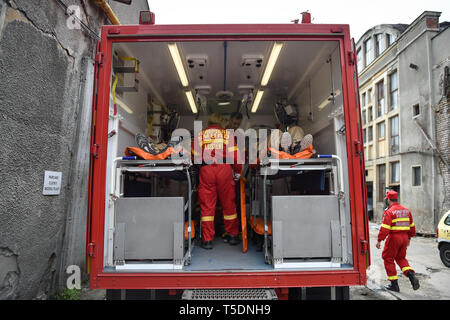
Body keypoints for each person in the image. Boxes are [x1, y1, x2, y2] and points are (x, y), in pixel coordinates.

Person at [195, 113, 242, 250]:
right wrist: (238, 172)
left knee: (207, 205)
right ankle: (233, 236)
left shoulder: (200, 136)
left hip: (207, 170)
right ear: (221, 123)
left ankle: (207, 240)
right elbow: (235, 156)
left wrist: (203, 167)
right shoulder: (227, 135)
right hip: (224, 170)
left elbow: (196, 158)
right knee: (229, 203)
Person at [376, 190, 420, 292]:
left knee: (388, 258)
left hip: (394, 238)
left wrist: (379, 240)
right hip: (404, 238)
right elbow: (412, 227)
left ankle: (394, 285)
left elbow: (385, 228)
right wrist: (409, 238)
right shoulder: (406, 211)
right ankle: (411, 275)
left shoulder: (389, 212)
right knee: (401, 258)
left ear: (388, 200)